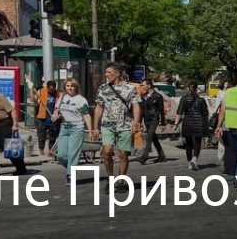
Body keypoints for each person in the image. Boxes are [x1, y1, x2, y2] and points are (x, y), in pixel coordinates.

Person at [91, 62, 141, 190]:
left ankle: (120, 182)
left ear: (117, 73)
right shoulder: (103, 88)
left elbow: (136, 106)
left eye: (109, 72)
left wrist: (135, 123)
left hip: (125, 124)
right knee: (107, 151)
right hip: (107, 125)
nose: (106, 75)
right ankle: (110, 178)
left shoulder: (130, 88)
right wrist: (95, 127)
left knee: (123, 154)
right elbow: (99, 107)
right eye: (106, 72)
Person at [53, 79, 92, 185]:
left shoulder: (81, 100)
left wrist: (90, 131)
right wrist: (56, 115)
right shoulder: (62, 97)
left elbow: (86, 116)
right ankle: (72, 168)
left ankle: (70, 174)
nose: (70, 88)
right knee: (61, 156)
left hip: (77, 129)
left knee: (73, 154)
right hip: (64, 128)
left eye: (72, 86)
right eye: (68, 86)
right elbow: (57, 109)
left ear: (76, 87)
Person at [175, 82, 210, 170]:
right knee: (197, 143)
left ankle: (189, 161)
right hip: (199, 123)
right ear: (196, 88)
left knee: (188, 144)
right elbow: (205, 114)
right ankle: (194, 159)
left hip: (187, 123)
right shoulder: (201, 100)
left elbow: (179, 113)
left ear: (188, 88)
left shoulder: (183, 99)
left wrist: (175, 124)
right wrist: (207, 125)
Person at [135, 79, 168, 164]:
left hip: (154, 119)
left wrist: (163, 123)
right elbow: (141, 110)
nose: (142, 87)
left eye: (143, 85)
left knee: (149, 136)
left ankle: (144, 157)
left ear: (149, 85)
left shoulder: (157, 96)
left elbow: (161, 110)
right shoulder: (143, 96)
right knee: (154, 138)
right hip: (146, 119)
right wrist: (139, 122)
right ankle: (161, 155)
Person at [31, 80, 59, 157]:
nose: (52, 90)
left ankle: (50, 152)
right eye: (50, 89)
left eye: (53, 89)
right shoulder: (41, 92)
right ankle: (41, 152)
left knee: (52, 136)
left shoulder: (58, 94)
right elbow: (34, 100)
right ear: (47, 87)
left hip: (53, 119)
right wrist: (31, 90)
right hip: (42, 118)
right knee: (41, 136)